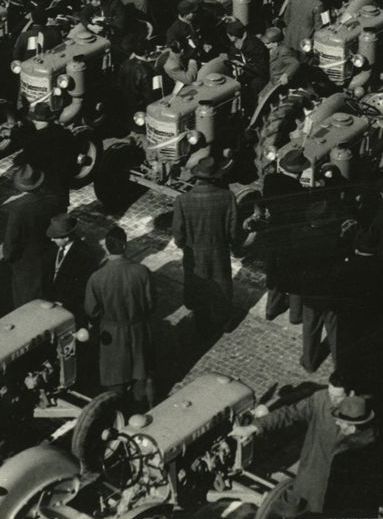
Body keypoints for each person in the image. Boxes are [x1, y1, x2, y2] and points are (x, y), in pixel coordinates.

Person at [232, 375, 370, 517]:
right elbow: (290, 413)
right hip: (309, 477)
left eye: (338, 397)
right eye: (330, 394)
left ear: (352, 394)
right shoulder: (320, 399)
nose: (332, 400)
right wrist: (254, 427)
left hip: (335, 493)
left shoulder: (367, 430)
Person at [84, 225, 155, 409]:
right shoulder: (142, 271)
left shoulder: (97, 277)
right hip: (137, 329)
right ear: (125, 245)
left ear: (107, 249)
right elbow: (151, 303)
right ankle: (142, 410)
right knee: (140, 373)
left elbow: (91, 310)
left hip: (111, 333)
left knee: (115, 378)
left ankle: (118, 413)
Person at [172, 156, 238, 338]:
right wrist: (229, 242)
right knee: (222, 286)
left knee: (198, 288)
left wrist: (183, 245)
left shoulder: (183, 200)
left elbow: (178, 232)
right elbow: (233, 229)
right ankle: (225, 322)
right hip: (218, 251)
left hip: (194, 253)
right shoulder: (227, 197)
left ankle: (202, 325)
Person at [0, 163, 56, 310]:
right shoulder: (52, 201)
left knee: (24, 303)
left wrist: (10, 258)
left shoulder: (18, 211)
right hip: (46, 257)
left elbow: (10, 246)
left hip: (24, 264)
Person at [44, 212, 98, 321]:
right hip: (49, 305)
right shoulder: (53, 249)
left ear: (67, 238)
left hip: (69, 310)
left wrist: (64, 303)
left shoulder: (85, 256)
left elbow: (82, 288)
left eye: (55, 237)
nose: (52, 240)